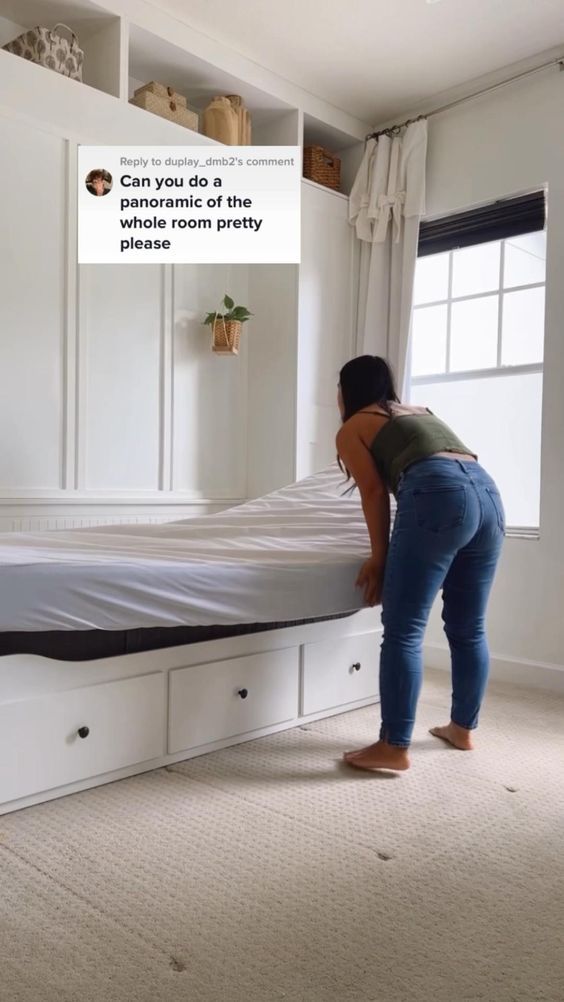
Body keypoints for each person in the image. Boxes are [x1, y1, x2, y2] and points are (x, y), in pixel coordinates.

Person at [335, 355, 505, 773]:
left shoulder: (354, 426)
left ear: (346, 391)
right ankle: (462, 728)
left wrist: (379, 559)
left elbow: (374, 493)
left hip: (439, 493)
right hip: (489, 496)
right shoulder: (420, 411)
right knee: (469, 626)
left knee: (404, 629)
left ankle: (393, 746)